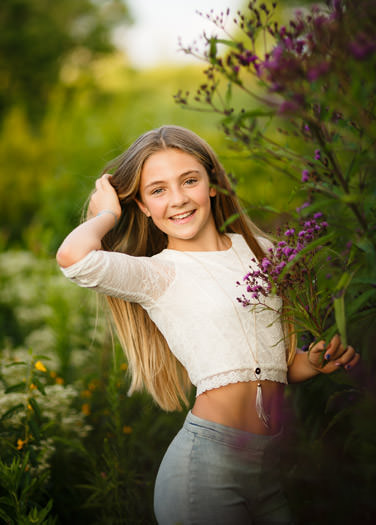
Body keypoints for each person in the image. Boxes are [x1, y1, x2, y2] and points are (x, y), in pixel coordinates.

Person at [55, 125, 359, 523]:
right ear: (143, 206)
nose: (178, 199)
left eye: (190, 181)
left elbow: (280, 365)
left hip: (267, 471)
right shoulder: (157, 275)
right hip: (204, 471)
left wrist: (313, 362)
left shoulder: (262, 251)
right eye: (158, 190)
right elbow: (74, 258)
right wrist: (109, 213)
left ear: (212, 184)